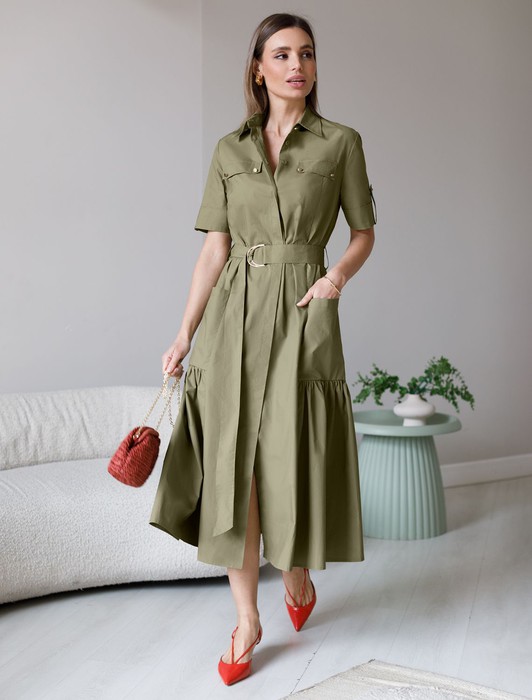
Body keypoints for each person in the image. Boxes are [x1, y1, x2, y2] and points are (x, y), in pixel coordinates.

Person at [149, 12, 377, 686]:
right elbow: (213, 250)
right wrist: (184, 332)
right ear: (257, 69)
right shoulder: (230, 150)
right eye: (281, 54)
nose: (296, 65)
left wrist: (335, 279)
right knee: (234, 468)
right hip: (232, 319)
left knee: (290, 453)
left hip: (304, 311)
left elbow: (363, 232)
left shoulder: (341, 143)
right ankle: (248, 619)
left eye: (306, 53)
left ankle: (297, 571)